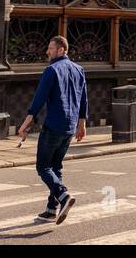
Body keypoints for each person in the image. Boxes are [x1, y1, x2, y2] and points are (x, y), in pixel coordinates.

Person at [17, 37, 87, 224]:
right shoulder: (79, 70)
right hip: (69, 128)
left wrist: (25, 124)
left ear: (61, 50)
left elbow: (39, 99)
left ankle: (63, 196)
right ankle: (51, 209)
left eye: (50, 48)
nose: (47, 52)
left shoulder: (52, 70)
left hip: (54, 126)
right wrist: (82, 125)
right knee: (56, 167)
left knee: (43, 167)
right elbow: (83, 100)